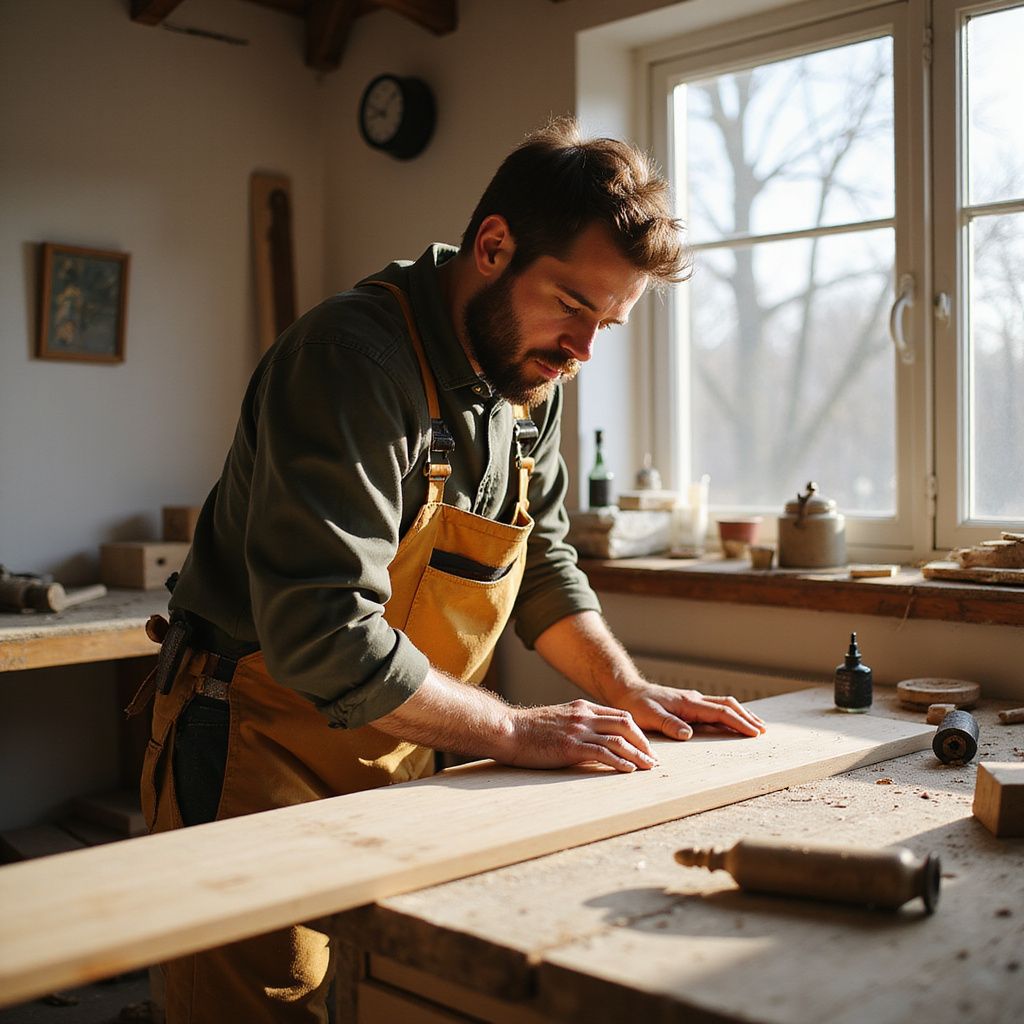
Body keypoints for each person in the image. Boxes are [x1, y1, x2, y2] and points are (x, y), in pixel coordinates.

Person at [135, 117, 766, 1023]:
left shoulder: (528, 375)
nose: (584, 350)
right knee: (263, 1004)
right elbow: (323, 634)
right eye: (574, 306)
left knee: (381, 990)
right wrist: (515, 732)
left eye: (609, 324)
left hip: (400, 737)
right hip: (256, 740)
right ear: (494, 244)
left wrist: (625, 689)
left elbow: (539, 559)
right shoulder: (350, 361)